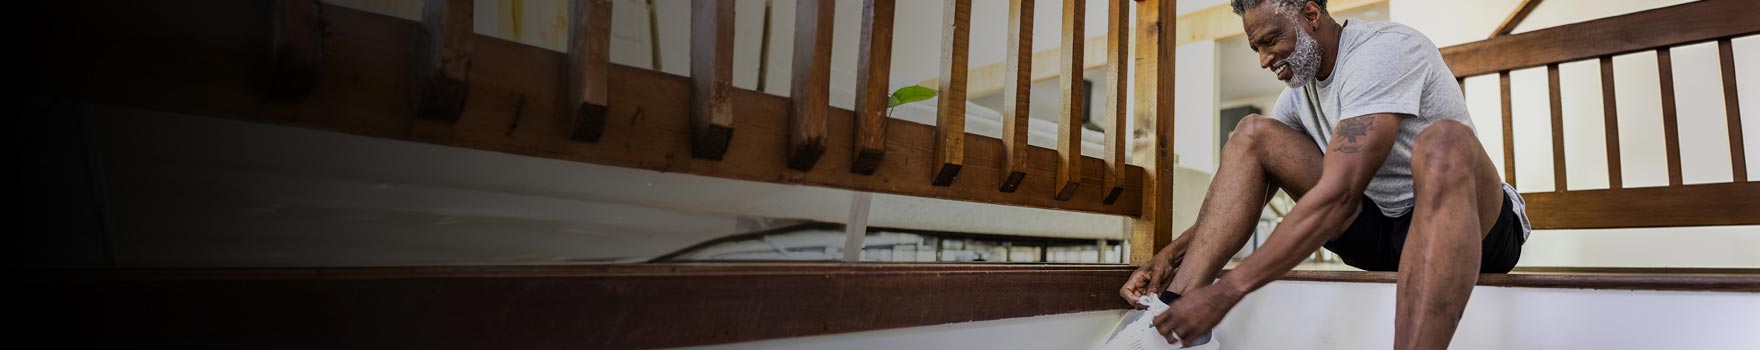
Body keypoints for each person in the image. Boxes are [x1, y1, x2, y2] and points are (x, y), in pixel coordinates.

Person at [1117, 0, 1531, 348]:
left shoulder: (1383, 51)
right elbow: (1248, 184)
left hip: (1473, 228)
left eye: (1271, 41)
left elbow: (1339, 195)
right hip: (1381, 233)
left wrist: (1227, 292)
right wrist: (1167, 258)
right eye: (1255, 48)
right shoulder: (1298, 93)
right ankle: (1172, 321)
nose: (1264, 60)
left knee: (1445, 142)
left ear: (1311, 15)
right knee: (1252, 133)